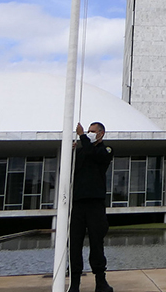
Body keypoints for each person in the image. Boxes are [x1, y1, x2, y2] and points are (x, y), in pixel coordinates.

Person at [70, 121, 114, 292]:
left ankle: (100, 281)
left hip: (95, 203)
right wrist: (73, 149)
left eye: (92, 131)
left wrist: (82, 136)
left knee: (96, 242)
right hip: (79, 203)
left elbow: (96, 155)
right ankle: (74, 284)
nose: (89, 133)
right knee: (75, 243)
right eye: (88, 131)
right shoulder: (81, 151)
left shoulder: (105, 150)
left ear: (101, 134)